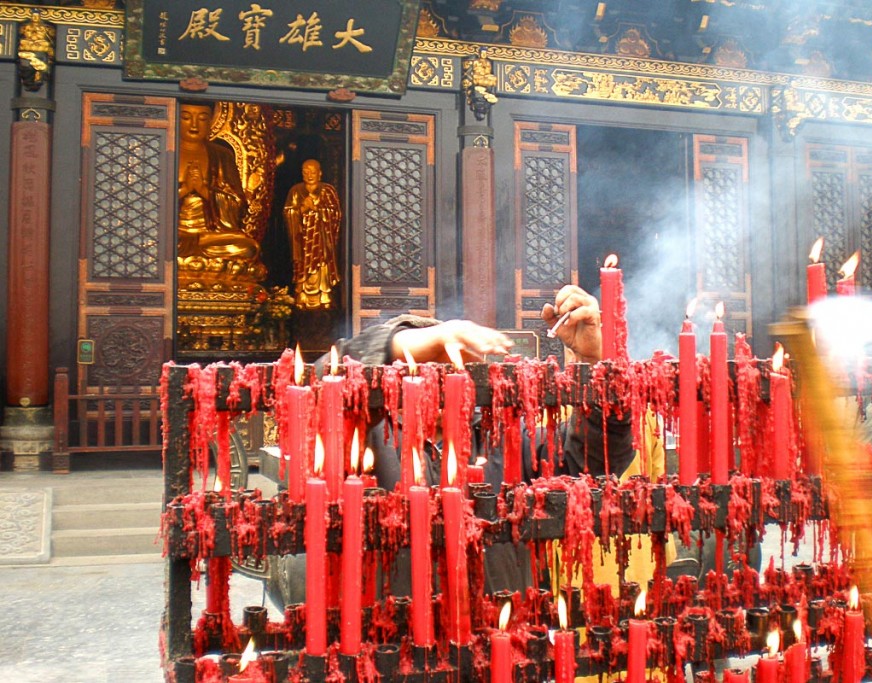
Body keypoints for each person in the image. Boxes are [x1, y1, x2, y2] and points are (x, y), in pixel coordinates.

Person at [283, 285, 635, 600]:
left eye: (450, 363)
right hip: (394, 645)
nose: (439, 374)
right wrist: (399, 343)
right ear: (392, 373)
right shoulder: (362, 440)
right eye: (424, 361)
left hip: (499, 638)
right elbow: (311, 386)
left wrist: (595, 365)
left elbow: (594, 461)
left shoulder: (509, 435)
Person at [177, 103, 261, 264]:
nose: (194, 124)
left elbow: (237, 204)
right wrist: (184, 189)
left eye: (202, 119)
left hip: (210, 236)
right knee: (154, 243)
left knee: (248, 248)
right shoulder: (164, 151)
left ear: (211, 122)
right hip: (174, 235)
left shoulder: (222, 156)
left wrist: (203, 190)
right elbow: (150, 205)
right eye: (186, 117)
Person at [283, 159, 342, 309]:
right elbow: (287, 212)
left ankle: (324, 293)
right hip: (302, 240)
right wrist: (301, 209)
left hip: (321, 239)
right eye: (306, 172)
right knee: (302, 263)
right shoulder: (295, 191)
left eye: (313, 172)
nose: (309, 175)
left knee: (322, 263)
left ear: (320, 173)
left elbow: (336, 213)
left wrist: (317, 209)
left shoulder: (327, 190)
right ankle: (301, 293)